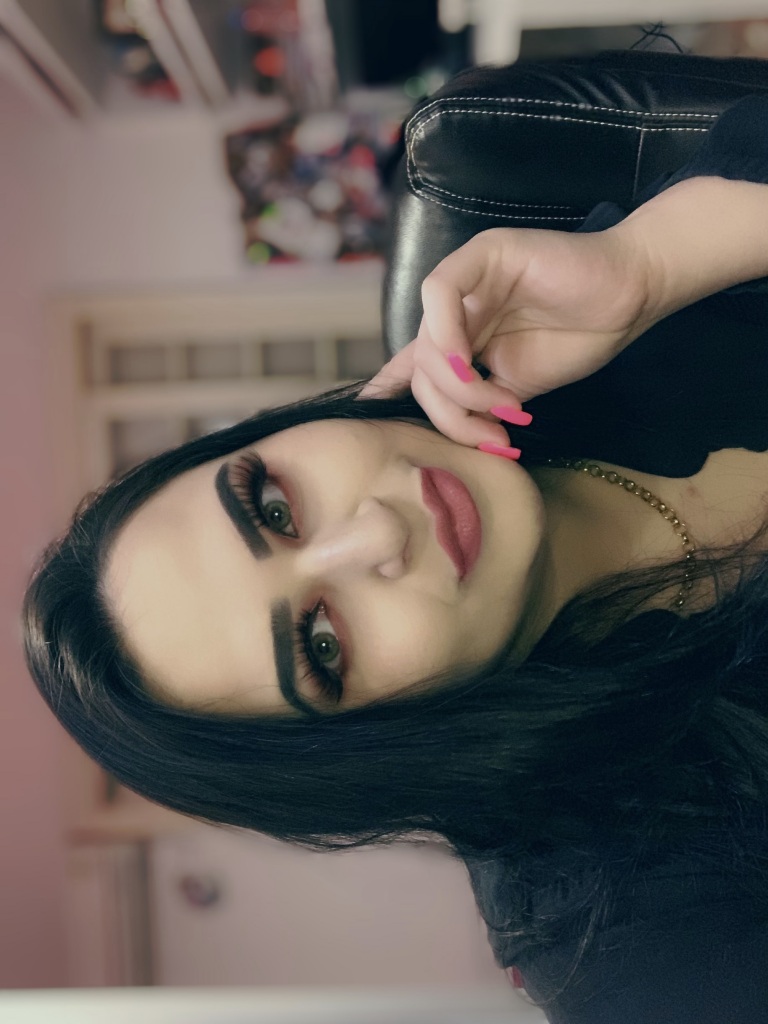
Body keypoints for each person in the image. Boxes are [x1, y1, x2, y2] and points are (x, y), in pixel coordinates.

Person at [22, 88, 768, 1021]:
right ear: (373, 748)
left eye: (275, 506)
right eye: (322, 645)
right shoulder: (632, 930)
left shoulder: (567, 324)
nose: (376, 535)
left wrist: (655, 261)